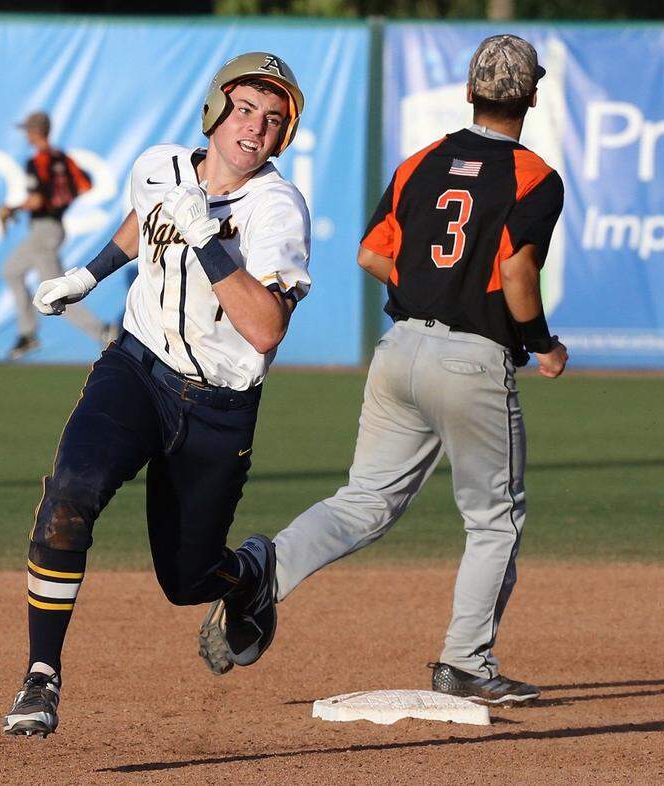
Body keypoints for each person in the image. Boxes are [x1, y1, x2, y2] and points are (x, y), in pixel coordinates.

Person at [198, 34, 568, 705]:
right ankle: (465, 662)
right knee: (494, 520)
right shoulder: (536, 177)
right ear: (532, 96)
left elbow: (372, 256)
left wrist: (430, 286)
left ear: (469, 92)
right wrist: (541, 342)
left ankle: (259, 574)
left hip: (400, 352)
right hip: (472, 359)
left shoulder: (421, 163)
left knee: (363, 500)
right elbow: (516, 268)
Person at [2, 52, 311, 737]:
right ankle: (40, 679)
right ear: (214, 110)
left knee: (187, 578)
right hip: (136, 370)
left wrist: (208, 240)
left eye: (272, 117)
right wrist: (87, 275)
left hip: (218, 408)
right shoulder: (161, 164)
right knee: (70, 494)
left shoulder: (276, 209)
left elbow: (264, 330)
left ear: (283, 135)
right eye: (244, 109)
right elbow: (147, 216)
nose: (254, 127)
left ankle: (248, 576)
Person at [0, 111, 117, 359]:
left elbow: (37, 199)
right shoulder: (62, 159)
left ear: (33, 133)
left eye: (28, 131)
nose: (27, 136)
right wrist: (60, 199)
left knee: (56, 292)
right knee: (11, 271)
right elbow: (85, 184)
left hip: (44, 230)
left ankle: (104, 332)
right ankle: (28, 333)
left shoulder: (38, 161)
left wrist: (12, 208)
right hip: (53, 228)